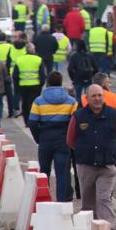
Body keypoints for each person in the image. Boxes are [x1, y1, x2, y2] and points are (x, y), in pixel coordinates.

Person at [67, 84, 116, 224]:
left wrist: (110, 150)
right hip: (86, 165)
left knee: (104, 198)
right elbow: (70, 140)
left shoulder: (113, 114)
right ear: (87, 98)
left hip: (106, 166)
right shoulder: (79, 116)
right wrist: (84, 151)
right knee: (87, 203)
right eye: (93, 96)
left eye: (100, 95)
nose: (97, 98)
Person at [29, 71, 77, 201]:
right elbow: (75, 122)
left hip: (45, 138)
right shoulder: (71, 101)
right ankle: (62, 201)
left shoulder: (38, 101)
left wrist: (38, 137)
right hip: (63, 139)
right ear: (61, 82)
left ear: (48, 82)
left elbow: (32, 122)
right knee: (63, 173)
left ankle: (44, 201)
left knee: (44, 172)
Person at [14, 43, 48, 126]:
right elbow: (42, 75)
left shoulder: (19, 60)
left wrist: (17, 86)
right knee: (34, 105)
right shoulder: (38, 59)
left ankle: (26, 122)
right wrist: (41, 84)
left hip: (23, 85)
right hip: (35, 86)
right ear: (34, 50)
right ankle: (34, 121)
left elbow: (15, 75)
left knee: (25, 104)